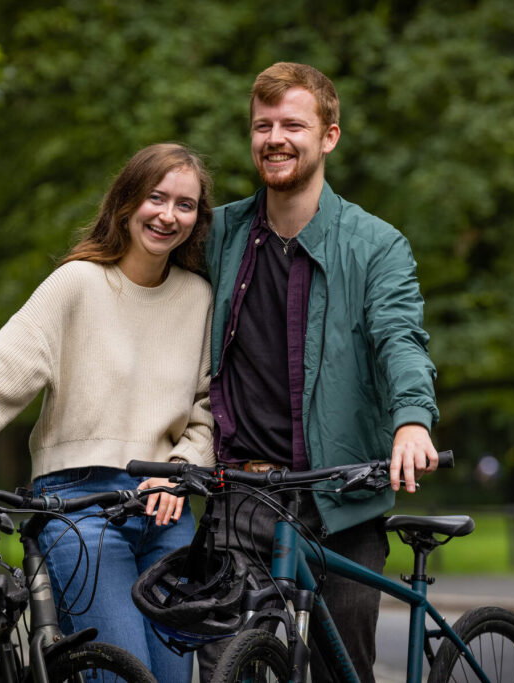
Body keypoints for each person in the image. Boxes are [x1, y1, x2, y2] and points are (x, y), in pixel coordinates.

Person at [0, 142, 215, 682]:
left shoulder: (198, 298)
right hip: (78, 508)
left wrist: (180, 473)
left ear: (197, 218)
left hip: (167, 515)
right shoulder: (78, 284)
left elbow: (208, 407)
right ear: (125, 203)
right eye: (156, 198)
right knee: (123, 676)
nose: (168, 215)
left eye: (184, 205)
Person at [198, 63, 440, 683]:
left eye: (292, 125)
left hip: (341, 500)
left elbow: (400, 339)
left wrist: (411, 421)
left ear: (329, 136)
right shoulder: (219, 234)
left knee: (342, 670)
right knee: (227, 665)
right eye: (262, 125)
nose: (275, 138)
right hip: (242, 494)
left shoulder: (376, 245)